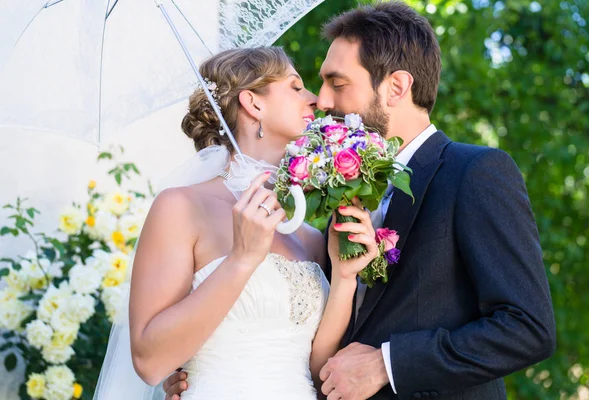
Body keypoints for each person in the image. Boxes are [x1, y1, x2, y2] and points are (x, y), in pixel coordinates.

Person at [165, 2, 555, 399]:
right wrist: (201, 365)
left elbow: (527, 327)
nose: (324, 102)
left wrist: (388, 364)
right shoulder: (326, 195)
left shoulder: (475, 172)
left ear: (396, 87)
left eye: (338, 83)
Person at [94, 47, 380, 400]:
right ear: (253, 104)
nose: (316, 101)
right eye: (295, 87)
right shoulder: (180, 208)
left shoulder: (307, 236)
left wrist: (344, 278)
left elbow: (320, 374)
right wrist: (242, 260)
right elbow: (150, 361)